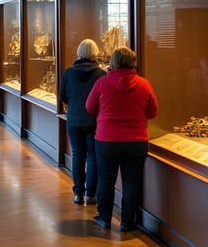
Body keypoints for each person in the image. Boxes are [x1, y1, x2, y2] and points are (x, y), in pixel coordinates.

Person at [85, 46, 158, 232]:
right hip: (136, 140)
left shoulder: (102, 83)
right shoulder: (144, 84)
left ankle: (104, 218)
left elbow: (90, 107)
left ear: (113, 62)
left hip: (107, 140)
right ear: (134, 62)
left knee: (106, 179)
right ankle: (127, 221)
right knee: (131, 181)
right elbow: (152, 112)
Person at [60, 38, 106, 205]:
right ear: (95, 53)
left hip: (74, 119)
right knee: (92, 155)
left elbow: (63, 96)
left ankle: (78, 192)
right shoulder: (101, 75)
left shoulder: (68, 73)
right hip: (94, 120)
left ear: (79, 53)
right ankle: (91, 194)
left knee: (78, 155)